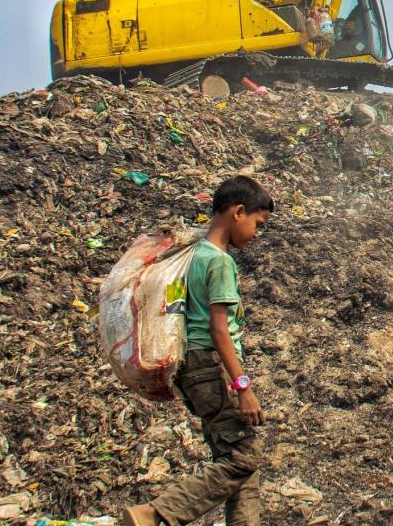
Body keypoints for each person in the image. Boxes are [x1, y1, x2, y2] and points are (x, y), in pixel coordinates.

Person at [124, 176, 274, 526]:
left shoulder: (193, 254)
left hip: (191, 368)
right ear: (239, 212)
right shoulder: (219, 262)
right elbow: (218, 329)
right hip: (211, 366)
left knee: (238, 455)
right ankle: (156, 514)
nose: (257, 234)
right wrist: (243, 387)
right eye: (258, 224)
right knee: (243, 458)